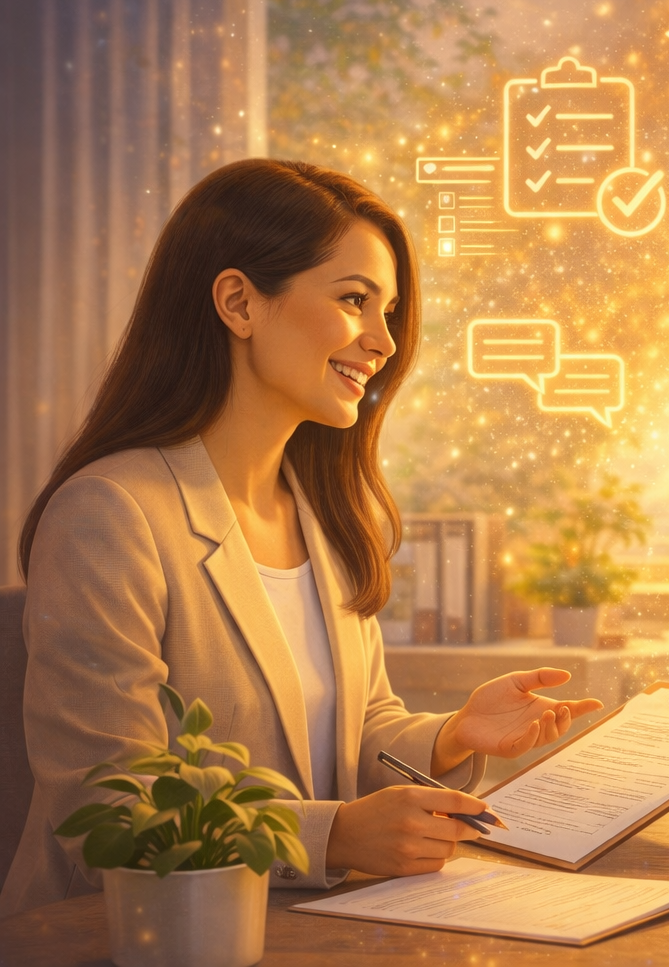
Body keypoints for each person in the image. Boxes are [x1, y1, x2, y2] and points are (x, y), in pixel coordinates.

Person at [0, 159, 604, 917]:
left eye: (388, 310)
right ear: (238, 302)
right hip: (125, 940)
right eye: (355, 300)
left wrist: (453, 736)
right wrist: (334, 838)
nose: (383, 342)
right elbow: (110, 814)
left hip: (305, 931)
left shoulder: (319, 515)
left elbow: (354, 731)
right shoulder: (110, 514)